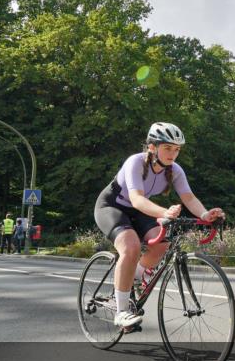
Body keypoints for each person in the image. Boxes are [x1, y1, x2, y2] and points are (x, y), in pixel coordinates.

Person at [94, 122, 225, 328]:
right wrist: (165, 212)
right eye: (167, 148)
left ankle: (133, 277)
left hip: (139, 210)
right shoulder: (135, 162)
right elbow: (136, 199)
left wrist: (206, 214)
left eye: (177, 149)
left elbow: (189, 198)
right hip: (112, 207)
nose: (173, 154)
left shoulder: (175, 170)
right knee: (131, 247)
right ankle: (121, 312)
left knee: (163, 244)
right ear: (152, 147)